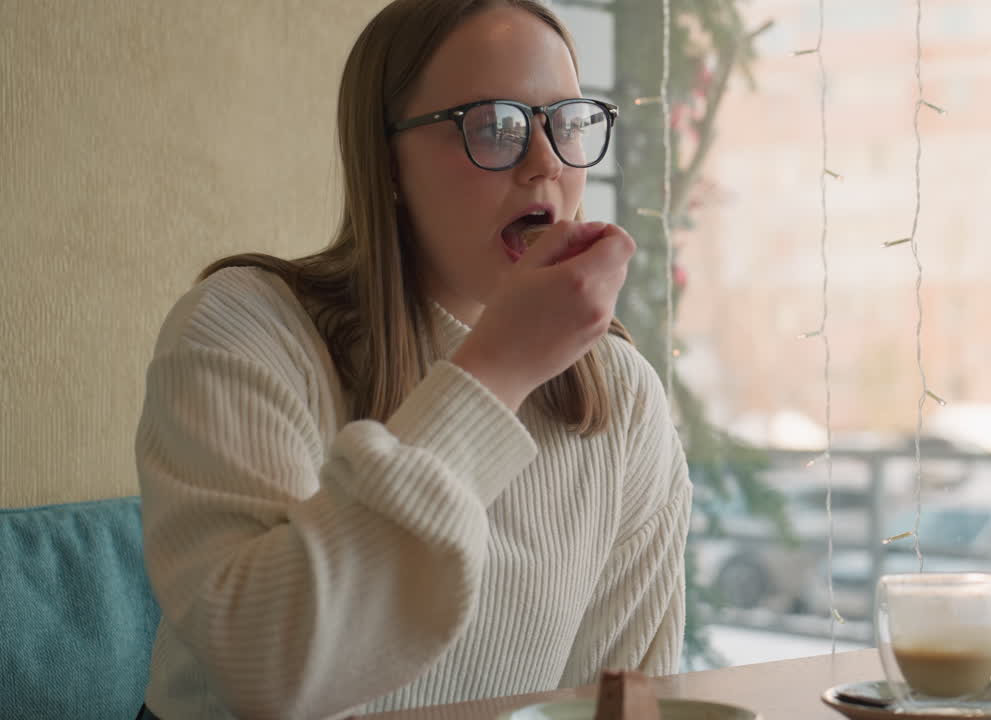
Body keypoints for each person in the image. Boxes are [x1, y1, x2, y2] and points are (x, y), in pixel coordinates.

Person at [134, 1, 692, 717]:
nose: (547, 163)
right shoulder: (243, 327)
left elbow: (622, 701)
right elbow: (271, 670)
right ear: (387, 159)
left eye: (566, 122)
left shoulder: (623, 397)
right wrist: (498, 371)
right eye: (495, 126)